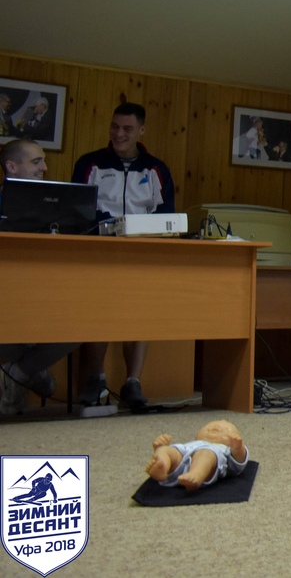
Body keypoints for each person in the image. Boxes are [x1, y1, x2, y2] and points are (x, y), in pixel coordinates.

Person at [71, 101, 176, 410]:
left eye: (127, 129)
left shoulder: (156, 169)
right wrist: (110, 225)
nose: (119, 134)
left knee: (138, 316)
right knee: (98, 313)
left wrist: (140, 231)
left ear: (141, 131)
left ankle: (133, 383)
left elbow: (166, 215)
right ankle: (96, 379)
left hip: (141, 254)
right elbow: (78, 208)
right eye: (115, 127)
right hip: (98, 252)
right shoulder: (90, 163)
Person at [1, 138, 79, 416]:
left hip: (47, 291)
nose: (45, 168)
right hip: (8, 292)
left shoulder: (56, 205)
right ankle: (28, 373)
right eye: (36, 162)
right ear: (12, 166)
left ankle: (21, 372)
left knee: (85, 323)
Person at [146, 419, 249, 492]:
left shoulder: (223, 449)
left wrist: (238, 448)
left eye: (226, 429)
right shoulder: (189, 445)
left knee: (205, 454)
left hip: (208, 464)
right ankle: (163, 466)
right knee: (168, 450)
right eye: (209, 425)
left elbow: (239, 465)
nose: (216, 426)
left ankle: (196, 475)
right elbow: (174, 451)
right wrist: (160, 447)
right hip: (184, 454)